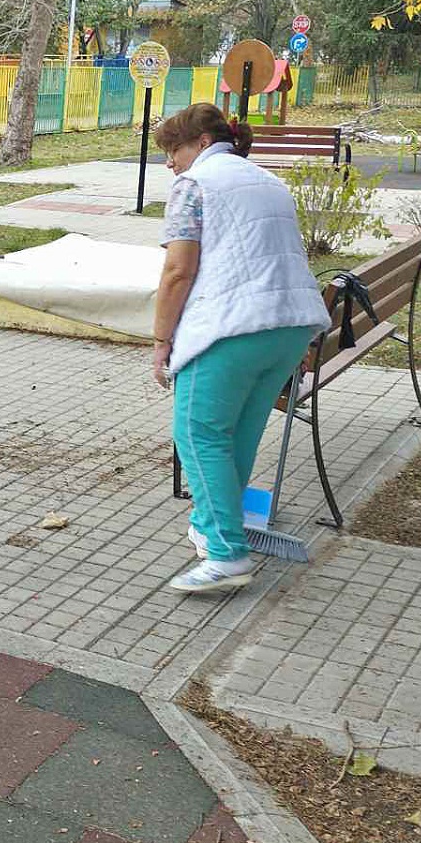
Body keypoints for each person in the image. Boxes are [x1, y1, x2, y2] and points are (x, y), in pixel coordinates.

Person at [151, 103, 331, 594]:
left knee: (198, 434)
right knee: (238, 435)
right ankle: (214, 527)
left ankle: (227, 554)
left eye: (174, 149)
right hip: (290, 328)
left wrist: (162, 341)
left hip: (233, 328)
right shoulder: (267, 180)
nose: (169, 162)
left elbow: (178, 272)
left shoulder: (195, 185)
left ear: (203, 143)